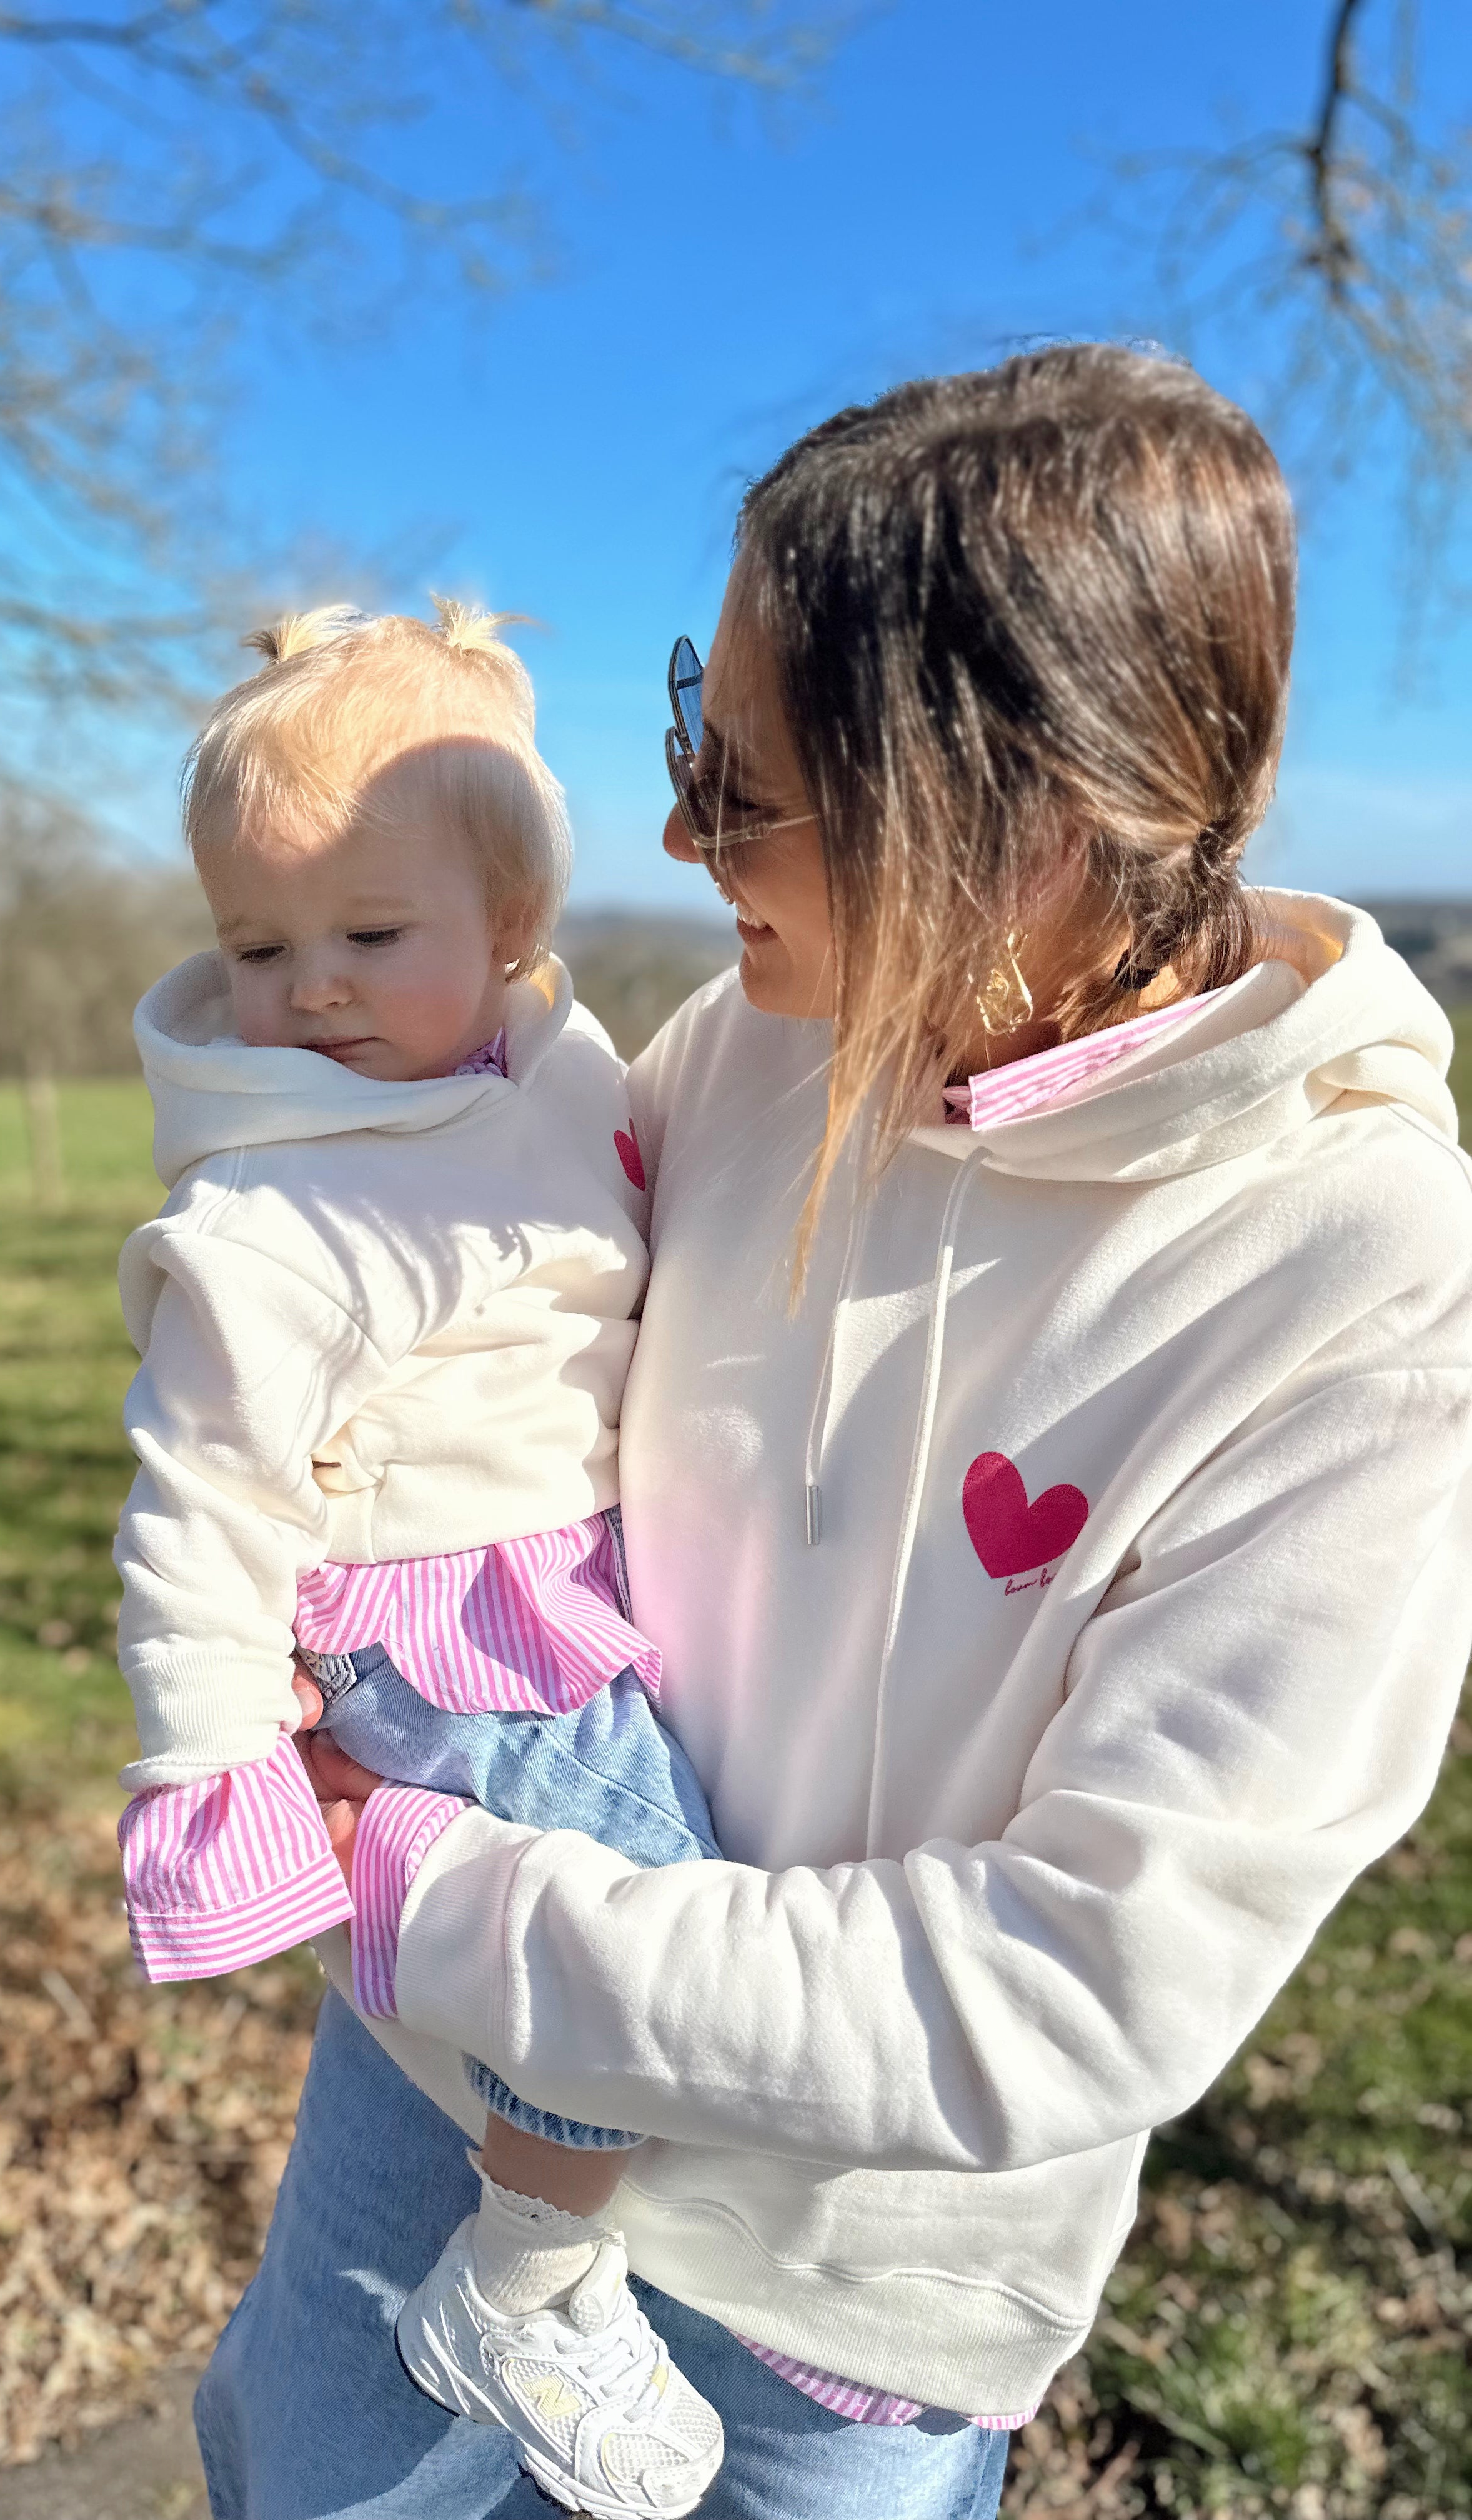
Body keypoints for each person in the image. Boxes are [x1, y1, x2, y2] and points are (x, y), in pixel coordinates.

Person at [201, 344, 1472, 2520]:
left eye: (749, 787)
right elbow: (488, 1362)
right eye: (692, 730)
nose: (678, 830)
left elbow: (1078, 1982)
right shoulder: (749, 1037)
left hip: (846, 2273)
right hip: (451, 2093)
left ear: (1034, 818)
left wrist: (428, 1887)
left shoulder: (1357, 1280)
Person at [113, 597, 732, 2519]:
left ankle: (539, 2236)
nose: (310, 990)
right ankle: (523, 2284)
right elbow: (201, 1501)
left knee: (645, 1942)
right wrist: (209, 1764)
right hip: (429, 1626)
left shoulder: (543, 1067)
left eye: (370, 938)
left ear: (514, 930)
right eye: (260, 947)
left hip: (543, 1598)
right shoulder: (283, 1218)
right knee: (663, 1930)